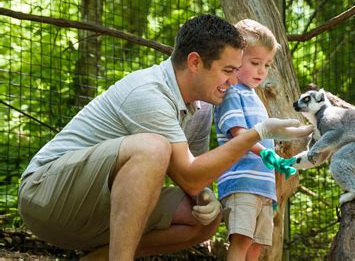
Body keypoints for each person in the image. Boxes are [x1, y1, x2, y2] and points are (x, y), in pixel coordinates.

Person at [17, 14, 313, 260]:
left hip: (95, 216)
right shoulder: (149, 92)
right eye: (227, 70)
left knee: (204, 220)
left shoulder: (201, 108)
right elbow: (190, 175)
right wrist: (257, 133)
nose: (235, 81)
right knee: (152, 148)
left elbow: (194, 175)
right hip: (46, 198)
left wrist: (204, 197)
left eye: (237, 70)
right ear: (195, 62)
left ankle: (100, 257)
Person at [214, 19, 291, 261]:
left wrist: (271, 192)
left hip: (262, 188)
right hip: (240, 182)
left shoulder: (256, 97)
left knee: (257, 246)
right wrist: (267, 154)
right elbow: (237, 133)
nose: (262, 71)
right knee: (242, 240)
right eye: (255, 63)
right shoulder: (231, 93)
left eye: (267, 65)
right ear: (236, 60)